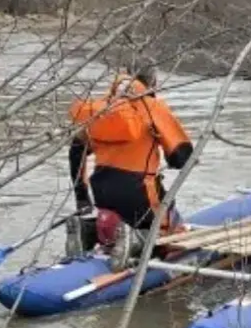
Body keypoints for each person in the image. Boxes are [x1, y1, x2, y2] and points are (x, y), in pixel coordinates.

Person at [66, 61, 193, 267]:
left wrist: (81, 196)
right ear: (153, 82)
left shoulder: (100, 109)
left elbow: (76, 152)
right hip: (138, 191)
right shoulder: (153, 107)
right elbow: (182, 158)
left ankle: (88, 231)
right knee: (171, 231)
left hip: (102, 189)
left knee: (120, 217)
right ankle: (138, 239)